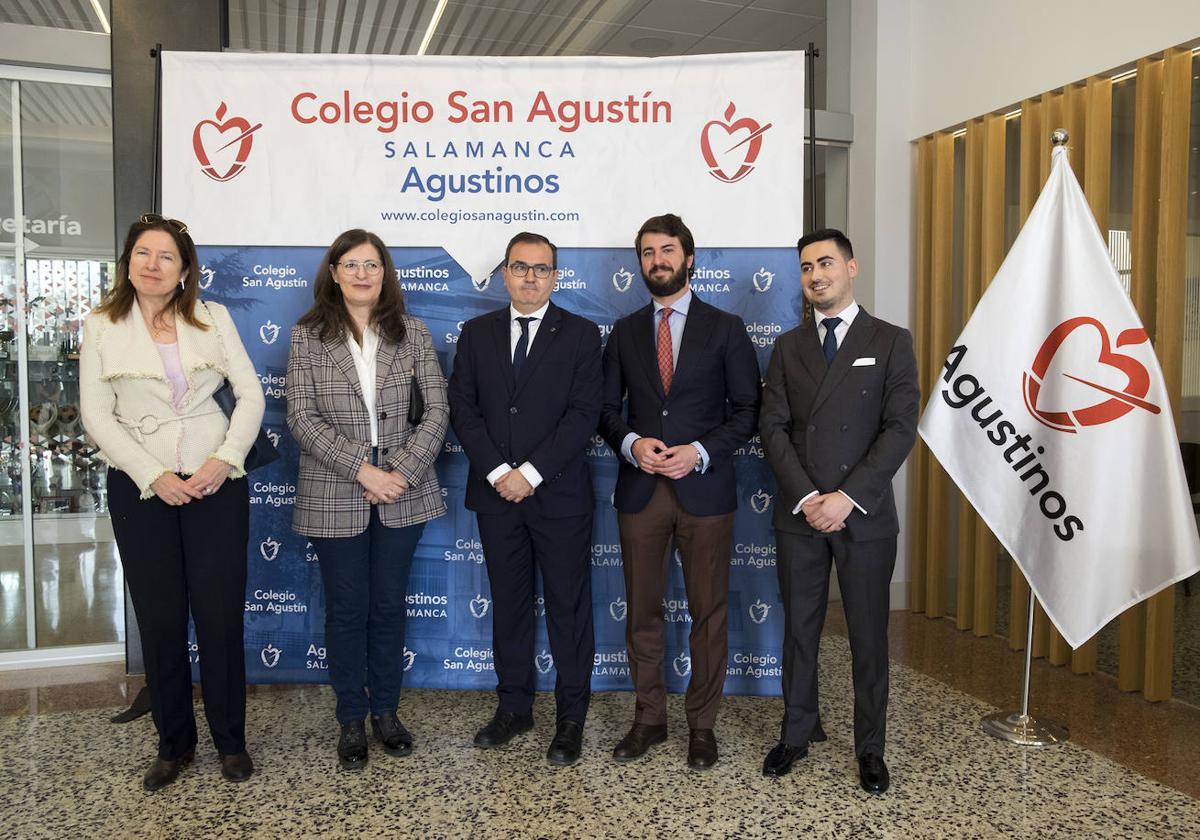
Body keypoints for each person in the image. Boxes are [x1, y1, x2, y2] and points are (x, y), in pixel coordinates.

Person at [80, 213, 265, 790]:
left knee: (218, 617)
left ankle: (230, 742)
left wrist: (223, 461)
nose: (152, 264)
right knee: (160, 620)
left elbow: (252, 396)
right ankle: (173, 744)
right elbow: (95, 415)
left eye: (165, 256)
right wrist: (152, 473)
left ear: (185, 270)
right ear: (128, 263)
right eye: (142, 253)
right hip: (141, 487)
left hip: (217, 482)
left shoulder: (214, 318)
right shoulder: (102, 325)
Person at [758, 228, 919, 793]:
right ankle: (796, 734)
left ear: (852, 268)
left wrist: (847, 498)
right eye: (805, 267)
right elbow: (771, 427)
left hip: (864, 515)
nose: (815, 275)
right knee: (799, 631)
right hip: (799, 514)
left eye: (825, 263)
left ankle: (870, 748)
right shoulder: (787, 346)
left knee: (869, 637)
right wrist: (808, 498)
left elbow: (900, 428)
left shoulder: (892, 340)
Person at [599, 213, 761, 771]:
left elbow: (748, 412)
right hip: (641, 490)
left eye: (667, 250)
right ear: (640, 262)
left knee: (708, 613)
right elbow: (603, 410)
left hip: (704, 489)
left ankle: (702, 725)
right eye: (647, 252)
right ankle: (649, 719)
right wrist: (631, 443)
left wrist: (701, 451)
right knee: (642, 610)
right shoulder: (622, 332)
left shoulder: (727, 327)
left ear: (688, 258)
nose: (657, 260)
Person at [287, 229, 449, 771]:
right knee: (348, 609)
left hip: (404, 489)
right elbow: (301, 419)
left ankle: (386, 712)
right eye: (351, 264)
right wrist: (362, 469)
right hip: (336, 487)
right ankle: (350, 719)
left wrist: (395, 472)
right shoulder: (307, 336)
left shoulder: (415, 333)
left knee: (386, 606)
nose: (362, 273)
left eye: (372, 264)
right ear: (333, 272)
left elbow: (438, 414)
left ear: (385, 273)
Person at [448, 232, 602, 767]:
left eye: (542, 269)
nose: (531, 277)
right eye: (520, 267)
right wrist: (498, 472)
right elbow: (462, 408)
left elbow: (584, 416)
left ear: (555, 277)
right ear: (505, 274)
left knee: (568, 607)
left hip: (558, 497)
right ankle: (514, 707)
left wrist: (530, 473)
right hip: (496, 497)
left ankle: (571, 717)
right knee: (509, 607)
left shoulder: (582, 335)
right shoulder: (475, 334)